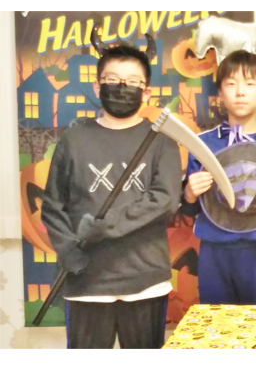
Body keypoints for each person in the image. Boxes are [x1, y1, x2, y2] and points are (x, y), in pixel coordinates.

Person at [41, 30, 182, 349]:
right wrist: (70, 253)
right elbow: (52, 206)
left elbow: (165, 200)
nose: (121, 87)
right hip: (86, 283)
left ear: (146, 92)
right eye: (112, 79)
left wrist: (104, 227)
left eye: (132, 81)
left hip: (146, 280)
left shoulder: (162, 142)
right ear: (97, 86)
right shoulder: (74, 139)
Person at [181, 50, 256, 306]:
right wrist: (189, 194)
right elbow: (190, 210)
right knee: (215, 323)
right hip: (214, 252)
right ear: (220, 92)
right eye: (231, 84)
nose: (240, 92)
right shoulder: (203, 145)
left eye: (249, 84)